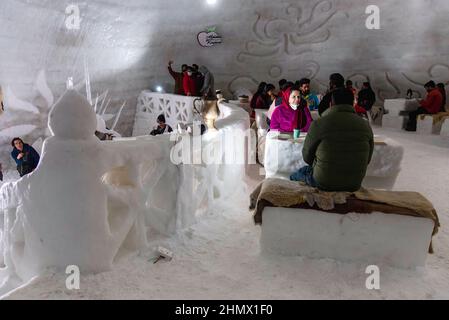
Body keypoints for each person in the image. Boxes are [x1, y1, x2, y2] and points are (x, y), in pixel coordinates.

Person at [291, 89, 374, 191]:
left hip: (324, 182)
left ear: (331, 104)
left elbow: (307, 157)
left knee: (296, 174)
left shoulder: (319, 124)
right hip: (354, 184)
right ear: (353, 103)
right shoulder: (365, 125)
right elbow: (368, 159)